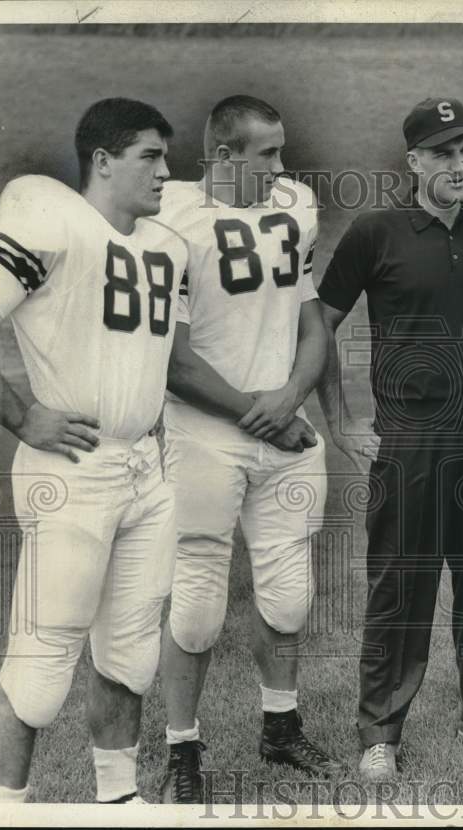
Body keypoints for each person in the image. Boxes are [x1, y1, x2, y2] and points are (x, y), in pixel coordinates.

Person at [0, 98, 188, 804]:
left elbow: (160, 359)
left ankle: (120, 801)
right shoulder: (52, 219)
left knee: (131, 658)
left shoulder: (164, 246)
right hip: (74, 472)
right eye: (150, 155)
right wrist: (23, 418)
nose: (166, 171)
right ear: (103, 161)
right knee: (40, 672)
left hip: (148, 468)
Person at [317, 97, 463, 781]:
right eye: (442, 153)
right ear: (413, 161)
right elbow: (318, 323)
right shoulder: (375, 232)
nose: (458, 164)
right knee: (401, 580)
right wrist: (339, 418)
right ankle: (381, 730)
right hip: (410, 432)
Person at [154, 94, 338, 803]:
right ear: (224, 157)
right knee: (197, 603)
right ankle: (181, 748)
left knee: (290, 595)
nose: (281, 167)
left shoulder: (295, 205)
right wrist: (263, 415)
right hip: (205, 431)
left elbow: (311, 319)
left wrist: (291, 397)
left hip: (283, 424)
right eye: (266, 154)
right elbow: (173, 360)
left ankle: (281, 728)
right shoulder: (170, 219)